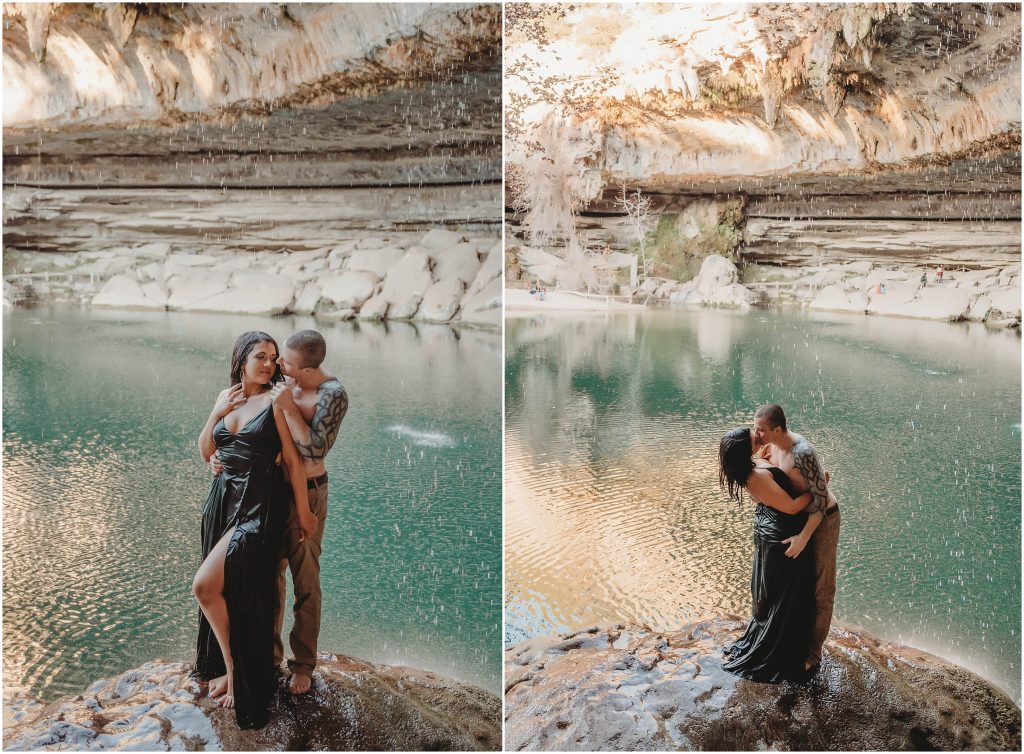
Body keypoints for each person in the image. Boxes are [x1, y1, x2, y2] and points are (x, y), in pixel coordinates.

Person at [193, 331, 316, 729]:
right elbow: (206, 451)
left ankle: (237, 673)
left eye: (274, 357)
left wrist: (304, 513)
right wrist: (215, 413)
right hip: (223, 502)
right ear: (241, 359)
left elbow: (294, 464)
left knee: (205, 586)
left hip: (258, 508)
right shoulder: (228, 397)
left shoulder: (276, 402)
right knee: (225, 589)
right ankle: (230, 669)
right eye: (260, 356)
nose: (268, 364)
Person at [269, 330, 348, 694]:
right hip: (270, 492)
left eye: (286, 362)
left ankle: (303, 665)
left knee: (306, 580)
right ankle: (270, 657)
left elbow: (315, 451)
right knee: (270, 576)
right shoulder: (284, 380)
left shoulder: (334, 395)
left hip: (311, 493)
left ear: (305, 369)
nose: (279, 365)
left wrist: (287, 406)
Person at [718, 427, 816, 682]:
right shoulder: (754, 476)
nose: (760, 439)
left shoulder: (753, 462)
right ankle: (780, 653)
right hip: (779, 535)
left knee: (777, 591)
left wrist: (766, 450)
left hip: (769, 525)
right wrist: (819, 487)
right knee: (786, 595)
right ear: (745, 451)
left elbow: (766, 457)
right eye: (755, 440)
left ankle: (784, 642)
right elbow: (793, 508)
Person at [752, 404, 840, 672]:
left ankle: (813, 654)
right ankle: (790, 640)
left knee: (821, 587)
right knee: (796, 584)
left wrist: (803, 537)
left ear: (777, 429)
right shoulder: (772, 445)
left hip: (822, 519)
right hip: (799, 518)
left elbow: (821, 499)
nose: (757, 434)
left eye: (761, 430)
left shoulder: (802, 452)